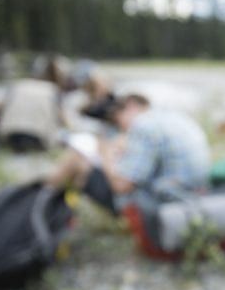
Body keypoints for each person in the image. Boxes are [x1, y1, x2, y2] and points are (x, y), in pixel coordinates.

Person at [47, 93, 211, 223]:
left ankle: (43, 199)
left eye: (117, 120)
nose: (120, 127)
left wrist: (106, 153)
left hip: (160, 206)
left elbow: (121, 186)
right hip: (190, 194)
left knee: (78, 159)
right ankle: (46, 200)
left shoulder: (143, 125)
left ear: (131, 105)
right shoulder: (174, 117)